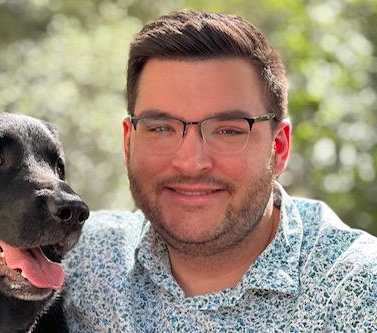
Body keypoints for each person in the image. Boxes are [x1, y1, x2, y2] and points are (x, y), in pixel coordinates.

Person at [61, 9, 377, 332]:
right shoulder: (75, 259)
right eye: (161, 128)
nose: (191, 162)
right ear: (128, 143)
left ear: (278, 148)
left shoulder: (357, 292)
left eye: (227, 130)